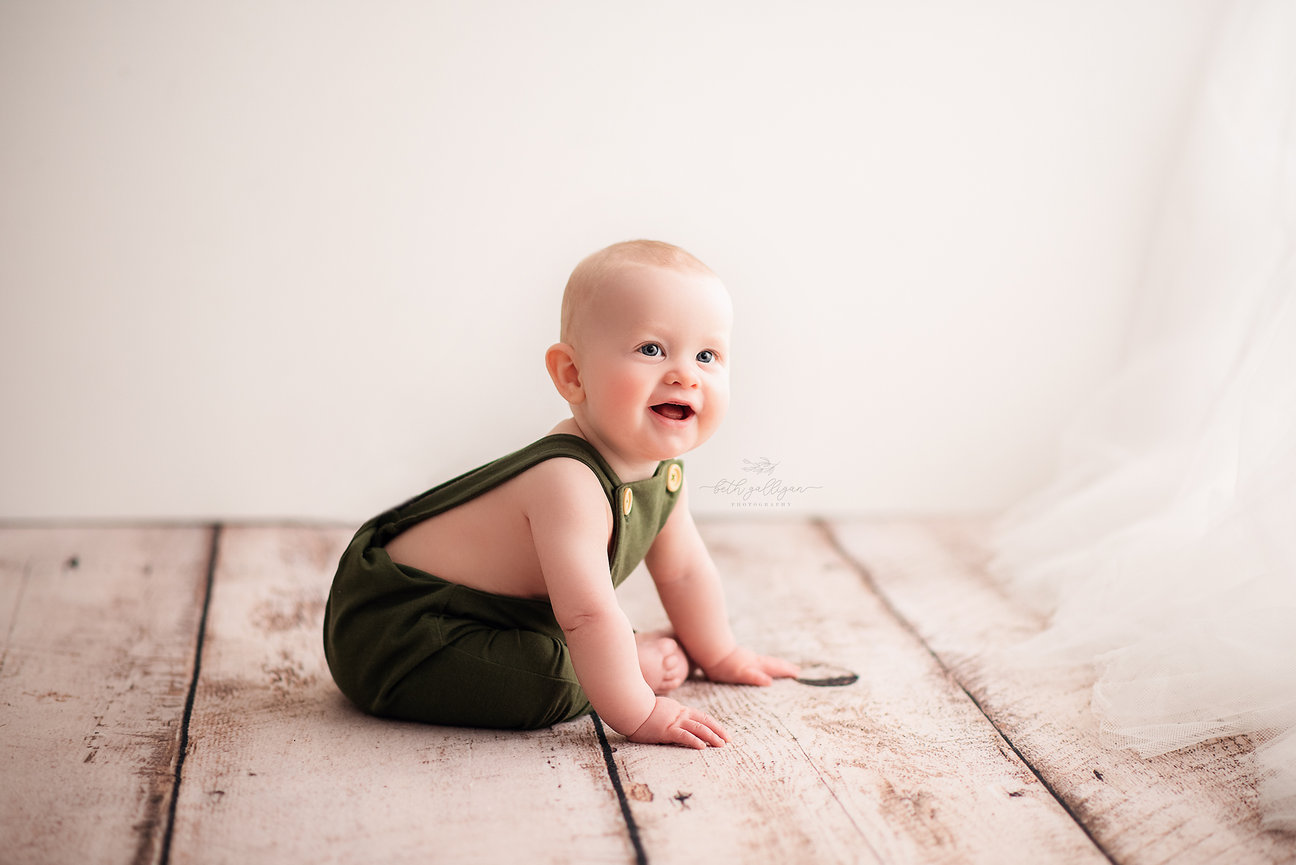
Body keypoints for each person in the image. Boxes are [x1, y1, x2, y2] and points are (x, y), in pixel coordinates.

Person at [324, 239, 799, 749]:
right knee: (542, 678)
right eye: (651, 349)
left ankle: (612, 660)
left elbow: (684, 571)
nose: (685, 373)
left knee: (585, 646)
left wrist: (721, 654)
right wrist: (638, 708)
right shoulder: (567, 480)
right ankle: (621, 664)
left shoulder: (662, 474)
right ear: (572, 375)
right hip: (405, 634)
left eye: (707, 355)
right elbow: (588, 614)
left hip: (501, 620)